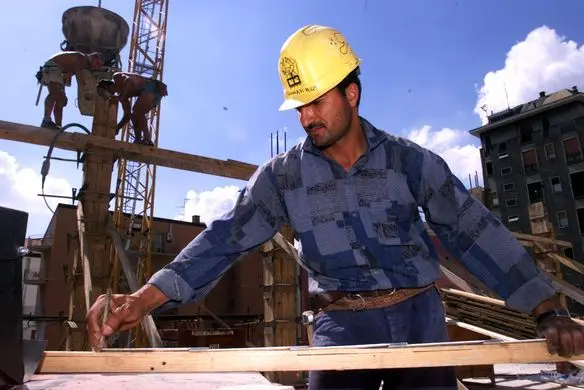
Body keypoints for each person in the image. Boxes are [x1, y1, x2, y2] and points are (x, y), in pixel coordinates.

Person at [86, 25, 584, 389]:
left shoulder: (410, 163)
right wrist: (142, 300)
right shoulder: (283, 177)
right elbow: (223, 238)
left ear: (352, 93)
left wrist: (545, 309)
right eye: (298, 107)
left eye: (316, 103)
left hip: (420, 320)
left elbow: (473, 230)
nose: (305, 118)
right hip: (341, 327)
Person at [36, 51, 104, 129]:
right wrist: (86, 90)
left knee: (61, 99)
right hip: (53, 67)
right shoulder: (82, 58)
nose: (97, 67)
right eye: (97, 63)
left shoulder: (83, 64)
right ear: (93, 57)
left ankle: (58, 126)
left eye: (100, 66)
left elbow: (69, 73)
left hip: (59, 72)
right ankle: (46, 120)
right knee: (54, 94)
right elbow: (79, 75)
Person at [96, 72, 168, 146]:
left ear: (106, 86)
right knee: (134, 115)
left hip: (152, 87)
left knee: (138, 111)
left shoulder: (116, 77)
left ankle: (147, 139)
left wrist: (123, 96)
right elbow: (127, 115)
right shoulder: (122, 96)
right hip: (155, 93)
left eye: (102, 92)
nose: (105, 95)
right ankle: (138, 140)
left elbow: (129, 81)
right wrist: (118, 127)